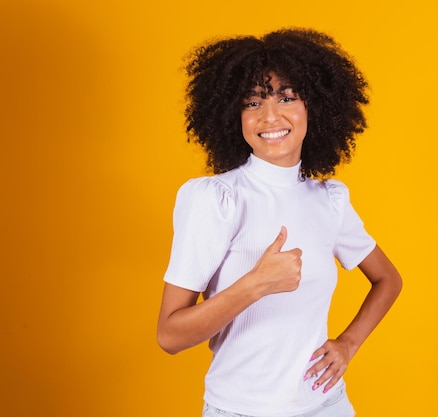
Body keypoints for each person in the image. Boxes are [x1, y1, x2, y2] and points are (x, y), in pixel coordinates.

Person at [157, 28, 402, 417]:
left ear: (314, 107)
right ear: (233, 114)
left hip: (327, 406)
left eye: (287, 97)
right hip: (240, 410)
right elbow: (169, 335)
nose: (270, 116)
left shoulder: (329, 200)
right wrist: (256, 285)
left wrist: (348, 344)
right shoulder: (216, 199)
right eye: (252, 102)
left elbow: (389, 280)